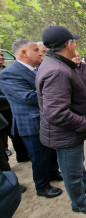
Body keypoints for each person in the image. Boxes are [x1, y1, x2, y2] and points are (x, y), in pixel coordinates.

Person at [37, 25, 86, 214]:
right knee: (70, 170)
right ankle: (79, 203)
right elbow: (56, 113)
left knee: (77, 164)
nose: (74, 46)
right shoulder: (56, 70)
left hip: (70, 132)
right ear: (68, 45)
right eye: (73, 42)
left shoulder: (56, 63)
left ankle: (83, 187)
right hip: (66, 133)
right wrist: (83, 123)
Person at [0, 39, 62, 198]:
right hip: (31, 123)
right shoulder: (8, 73)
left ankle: (53, 174)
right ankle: (42, 186)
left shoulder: (35, 69)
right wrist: (55, 90)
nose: (40, 53)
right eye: (36, 50)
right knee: (39, 156)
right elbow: (28, 97)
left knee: (51, 151)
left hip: (45, 119)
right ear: (23, 53)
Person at [0, 50, 29, 163]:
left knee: (16, 133)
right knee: (7, 134)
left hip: (13, 107)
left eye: (2, 55)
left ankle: (23, 155)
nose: (1, 57)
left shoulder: (7, 70)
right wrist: (11, 96)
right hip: (3, 109)